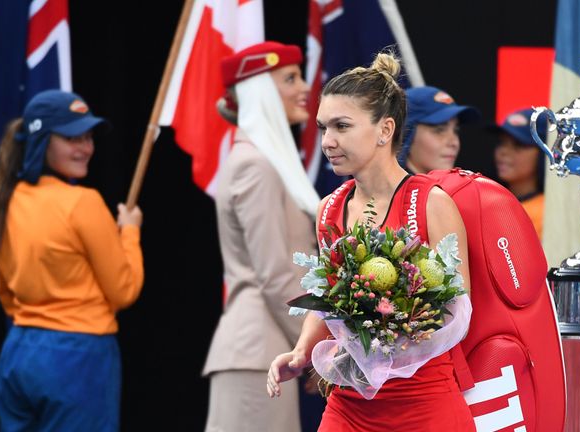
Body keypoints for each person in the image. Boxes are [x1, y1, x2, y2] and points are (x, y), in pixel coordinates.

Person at [267, 52, 475, 431]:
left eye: (342, 126)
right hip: (350, 407)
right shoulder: (328, 209)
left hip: (425, 404)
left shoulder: (432, 202)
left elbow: (456, 313)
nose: (328, 141)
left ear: (385, 130)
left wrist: (384, 349)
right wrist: (300, 352)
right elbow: (329, 300)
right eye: (323, 127)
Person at [0, 90, 144, 431]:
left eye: (87, 136)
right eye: (71, 138)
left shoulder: (5, 201)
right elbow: (124, 290)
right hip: (77, 358)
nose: (85, 147)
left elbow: (7, 297)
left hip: (17, 355)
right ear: (41, 140)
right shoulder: (82, 202)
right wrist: (130, 232)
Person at [201, 41, 320, 432]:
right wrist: (314, 350)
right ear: (261, 93)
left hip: (266, 349)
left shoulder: (262, 161)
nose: (304, 86)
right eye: (289, 78)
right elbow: (274, 274)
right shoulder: (256, 165)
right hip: (258, 352)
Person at [487, 108, 547, 238]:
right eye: (502, 142)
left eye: (518, 145)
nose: (504, 152)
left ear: (543, 153)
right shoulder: (486, 201)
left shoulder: (547, 213)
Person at [398, 85, 480, 174]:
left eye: (456, 130)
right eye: (439, 130)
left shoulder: (455, 186)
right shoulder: (387, 187)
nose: (454, 143)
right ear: (404, 135)